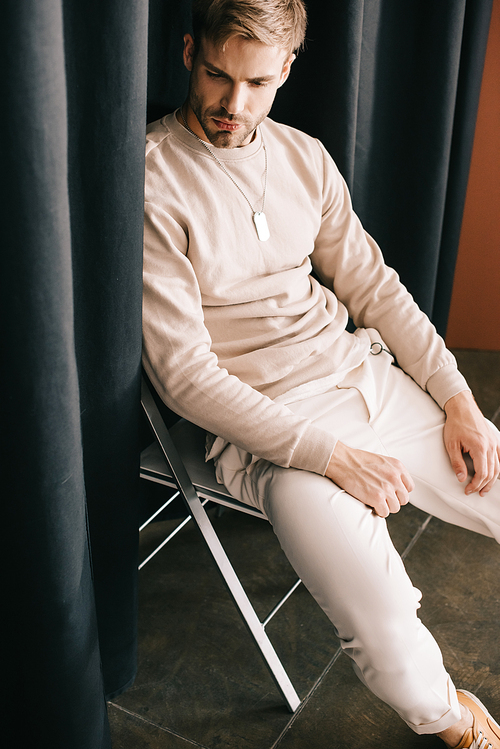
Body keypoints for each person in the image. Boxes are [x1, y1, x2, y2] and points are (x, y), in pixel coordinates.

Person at [142, 1, 500, 745]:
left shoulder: (305, 156)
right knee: (388, 636)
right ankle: (452, 716)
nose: (232, 105)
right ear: (187, 52)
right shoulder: (153, 180)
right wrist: (333, 458)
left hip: (360, 378)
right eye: (215, 74)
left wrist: (458, 396)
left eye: (256, 82)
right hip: (270, 442)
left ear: (287, 72)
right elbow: (184, 377)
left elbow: (374, 287)